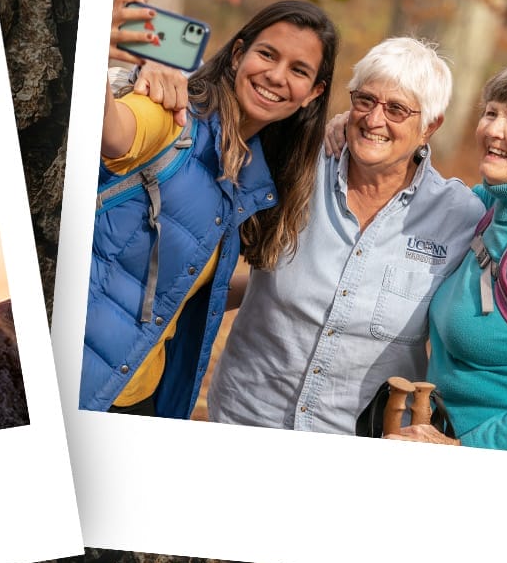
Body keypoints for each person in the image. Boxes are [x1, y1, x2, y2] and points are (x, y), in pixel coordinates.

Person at [205, 37, 485, 432]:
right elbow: (226, 123)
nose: (373, 119)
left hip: (358, 437)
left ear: (430, 126)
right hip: (246, 416)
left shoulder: (461, 216)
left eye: (397, 109)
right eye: (365, 100)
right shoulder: (297, 165)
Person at [83, 0, 338, 417]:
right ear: (238, 55)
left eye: (299, 70)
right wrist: (91, 47)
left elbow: (195, 283)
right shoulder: (174, 115)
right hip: (81, 381)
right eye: (267, 54)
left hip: (142, 393)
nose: (276, 76)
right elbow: (114, 133)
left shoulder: (254, 178)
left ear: (313, 93)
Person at [386, 58, 507, 454]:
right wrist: (348, 132)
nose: (492, 129)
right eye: (490, 113)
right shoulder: (489, 204)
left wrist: (463, 448)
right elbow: (417, 195)